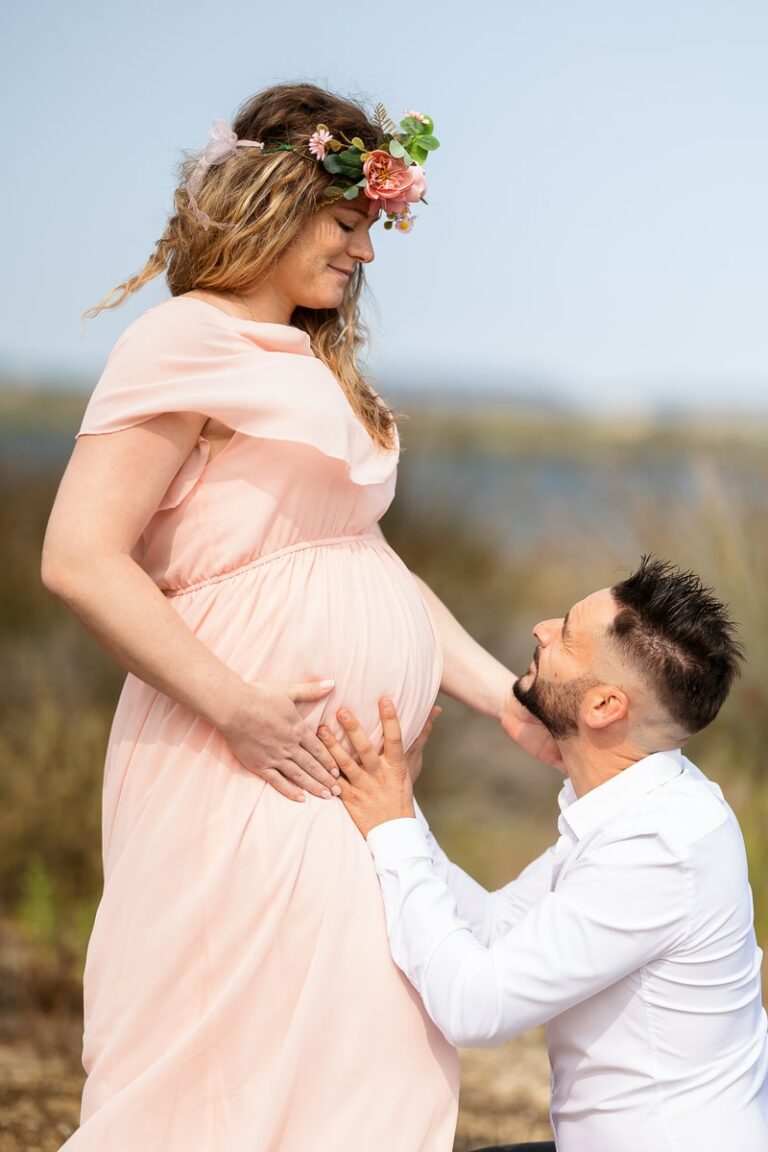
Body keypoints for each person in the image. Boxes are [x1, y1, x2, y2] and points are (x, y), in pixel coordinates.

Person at [41, 83, 555, 1151]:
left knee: (372, 1034)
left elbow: (364, 559)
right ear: (275, 202)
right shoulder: (181, 341)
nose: (364, 252)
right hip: (235, 756)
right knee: (226, 1054)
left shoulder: (316, 361)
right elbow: (80, 559)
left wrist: (503, 698)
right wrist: (242, 712)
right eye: (349, 222)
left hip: (346, 775)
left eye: (372, 227)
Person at [322, 556, 768, 1152]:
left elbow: (475, 1010)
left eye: (566, 635)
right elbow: (492, 927)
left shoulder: (657, 850)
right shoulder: (645, 802)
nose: (540, 628)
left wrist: (395, 824)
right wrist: (399, 811)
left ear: (604, 707)